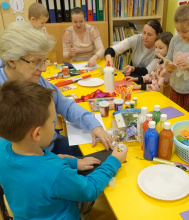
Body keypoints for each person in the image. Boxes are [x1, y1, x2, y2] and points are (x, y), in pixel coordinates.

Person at [0, 80, 128, 219]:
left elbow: (35, 164)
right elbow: (89, 190)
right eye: (52, 122)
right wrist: (114, 161)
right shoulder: (55, 172)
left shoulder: (4, 147)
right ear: (37, 134)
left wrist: (70, 162)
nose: (53, 125)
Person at [0, 21, 113, 157]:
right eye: (36, 62)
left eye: (44, 61)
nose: (43, 68)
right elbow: (8, 158)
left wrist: (94, 125)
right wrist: (52, 161)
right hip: (28, 162)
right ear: (12, 61)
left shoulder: (33, 78)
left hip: (49, 146)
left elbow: (64, 105)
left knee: (99, 156)